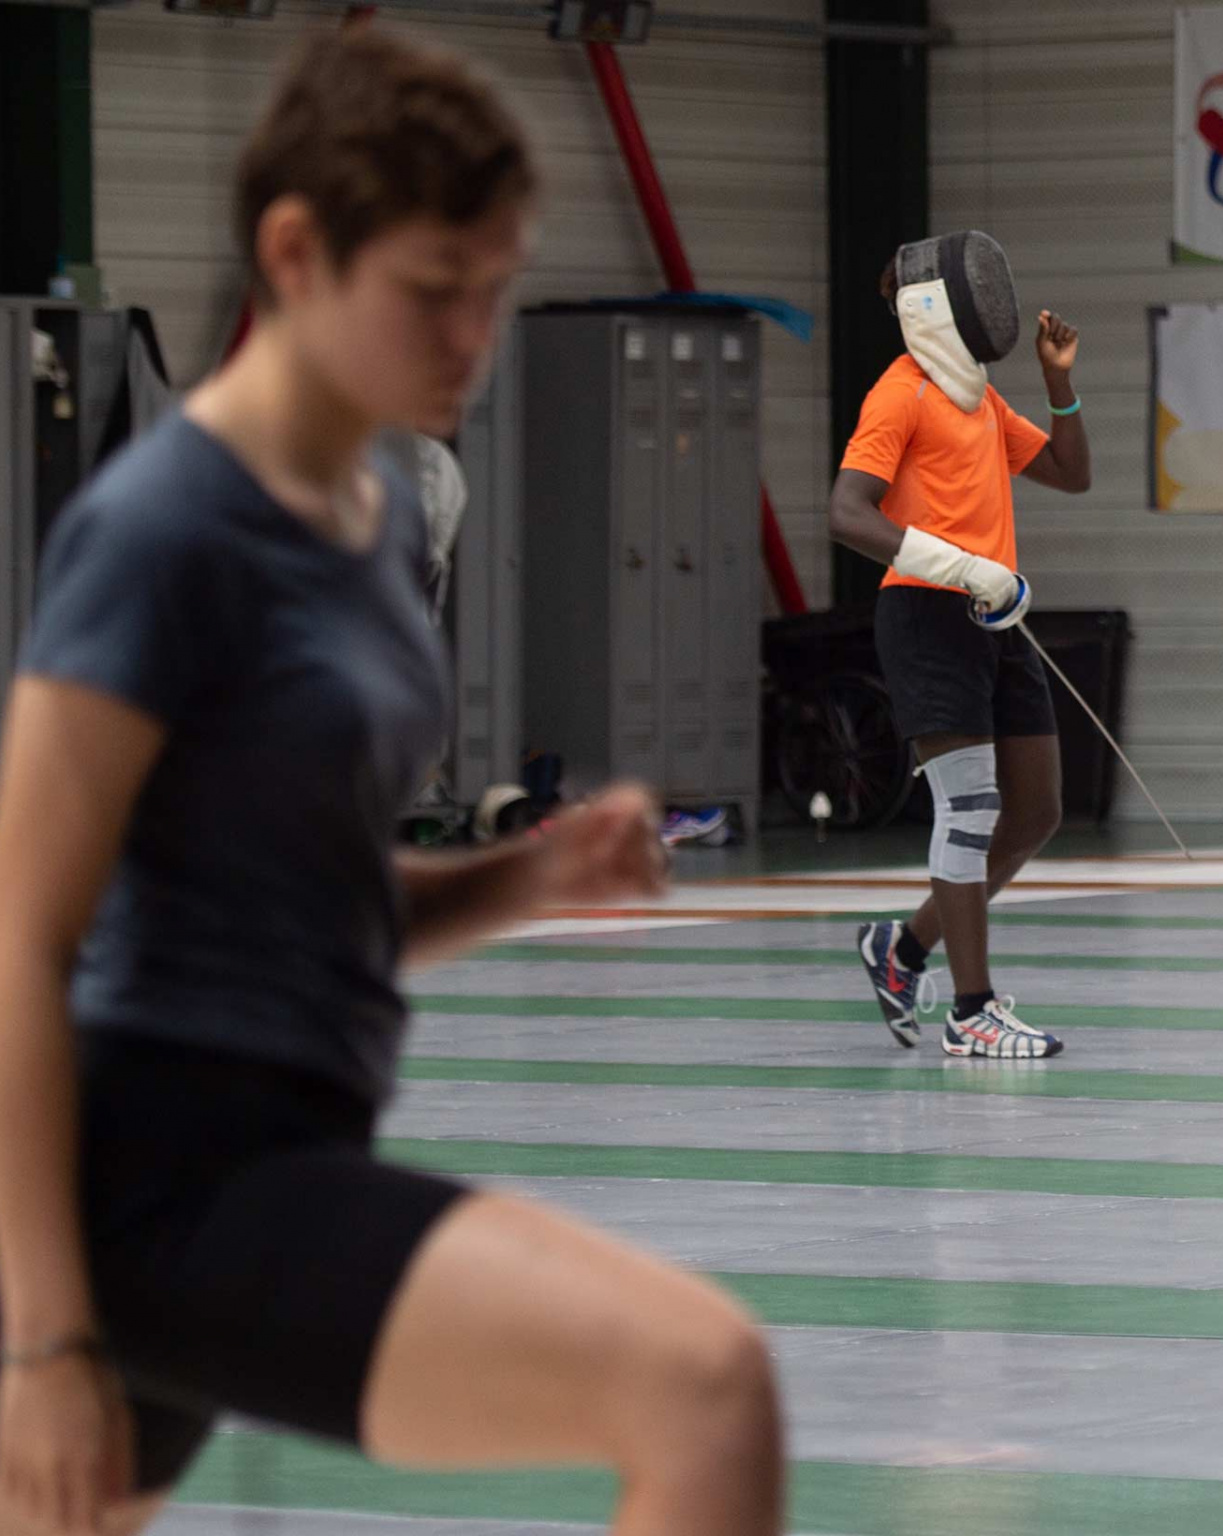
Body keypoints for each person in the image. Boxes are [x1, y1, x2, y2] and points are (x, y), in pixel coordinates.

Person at [0, 30, 782, 1536]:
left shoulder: (362, 521)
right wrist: (42, 1340)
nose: (473, 334)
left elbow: (311, 905)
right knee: (703, 1388)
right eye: (435, 287)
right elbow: (25, 939)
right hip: (153, 1184)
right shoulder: (162, 533)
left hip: (276, 1149)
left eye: (495, 287)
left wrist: (528, 879)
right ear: (296, 251)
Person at [828, 231, 1091, 1059]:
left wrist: (1059, 385)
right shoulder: (898, 394)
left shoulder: (977, 397)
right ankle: (971, 1012)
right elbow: (847, 513)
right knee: (971, 812)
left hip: (995, 617)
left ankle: (901, 951)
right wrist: (963, 566)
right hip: (926, 614)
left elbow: (1071, 474)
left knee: (1037, 809)